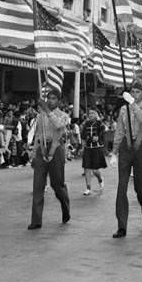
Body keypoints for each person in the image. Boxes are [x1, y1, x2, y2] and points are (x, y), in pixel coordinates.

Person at [112, 81, 142, 238]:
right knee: (121, 187)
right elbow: (119, 130)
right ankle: (121, 226)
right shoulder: (124, 109)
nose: (134, 94)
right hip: (125, 147)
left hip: (141, 147)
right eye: (132, 91)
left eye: (137, 92)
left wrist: (133, 104)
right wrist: (114, 151)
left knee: (140, 188)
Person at [28, 88, 71, 230]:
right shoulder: (40, 116)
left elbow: (59, 125)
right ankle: (36, 220)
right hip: (42, 149)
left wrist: (47, 111)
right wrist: (34, 153)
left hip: (56, 150)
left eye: (53, 98)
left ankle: (65, 207)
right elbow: (38, 135)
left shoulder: (64, 115)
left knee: (57, 185)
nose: (50, 100)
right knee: (38, 186)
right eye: (48, 98)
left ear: (58, 101)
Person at [80, 108, 106, 195]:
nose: (90, 115)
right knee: (87, 168)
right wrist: (82, 147)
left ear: (96, 115)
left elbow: (103, 130)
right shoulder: (86, 124)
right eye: (89, 113)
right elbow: (83, 136)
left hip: (97, 148)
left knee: (95, 170)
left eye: (92, 113)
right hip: (88, 148)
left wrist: (98, 137)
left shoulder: (100, 124)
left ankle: (100, 179)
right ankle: (88, 188)